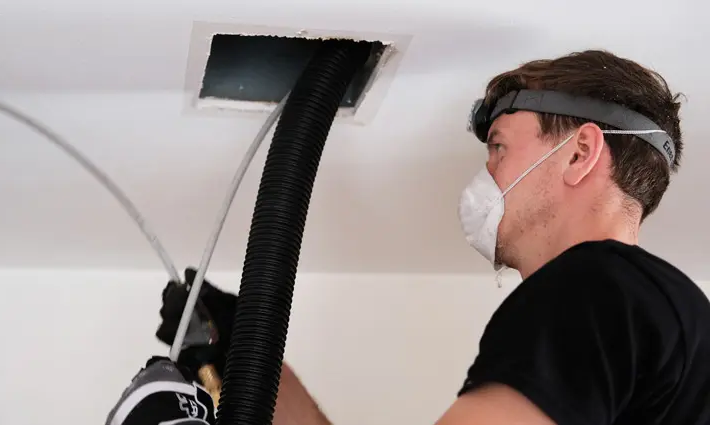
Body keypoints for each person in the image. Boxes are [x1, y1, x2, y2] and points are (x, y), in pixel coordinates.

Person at [158, 50, 710, 425]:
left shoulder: (592, 287)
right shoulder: (650, 309)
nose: (486, 173)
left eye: (498, 146)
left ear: (581, 153)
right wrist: (244, 356)